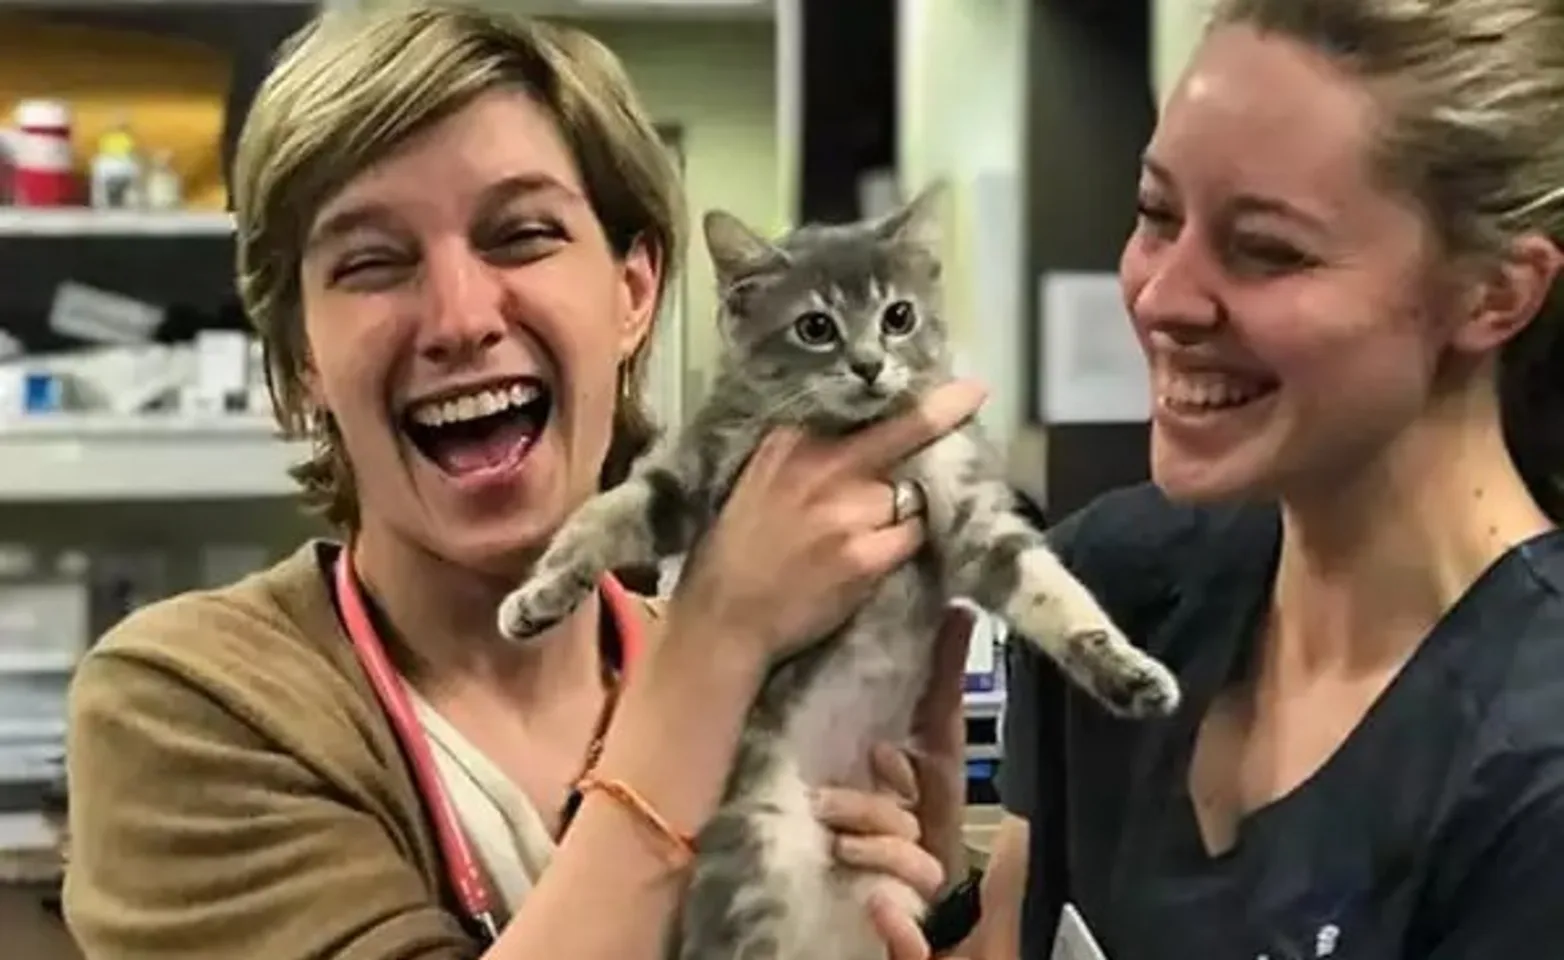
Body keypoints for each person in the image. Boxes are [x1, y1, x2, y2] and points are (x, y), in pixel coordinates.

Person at [60, 5, 988, 959]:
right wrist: (721, 637)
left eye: (521, 235)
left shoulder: (777, 689)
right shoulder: (189, 707)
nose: (460, 318)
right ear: (302, 358)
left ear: (633, 293)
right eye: (374, 261)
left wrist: (923, 901)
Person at [942, 1, 1564, 958]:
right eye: (1156, 215)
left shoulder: (1530, 764)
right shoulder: (1113, 593)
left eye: (1267, 251)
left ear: (1496, 293)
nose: (1162, 297)